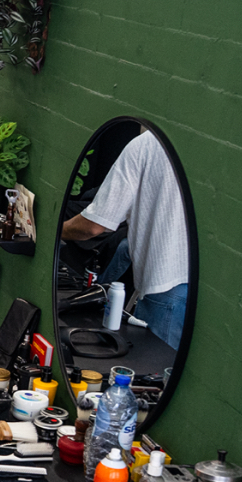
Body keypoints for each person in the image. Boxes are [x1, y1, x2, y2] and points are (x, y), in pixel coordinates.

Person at [60, 130, 190, 347]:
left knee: (153, 363)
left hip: (165, 283)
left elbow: (94, 225)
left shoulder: (145, 145)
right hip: (195, 284)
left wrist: (55, 231)